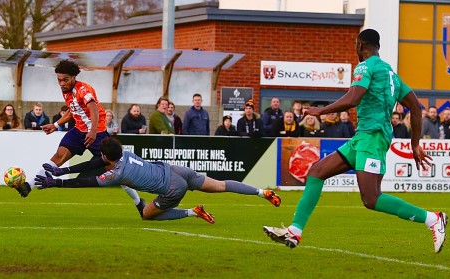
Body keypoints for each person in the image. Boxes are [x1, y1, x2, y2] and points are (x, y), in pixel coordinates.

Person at [263, 29, 447, 253]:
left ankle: (433, 219)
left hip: (373, 138)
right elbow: (416, 108)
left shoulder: (365, 67)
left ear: (360, 45)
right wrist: (414, 144)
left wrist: (320, 111)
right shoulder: (390, 74)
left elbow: (353, 98)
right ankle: (295, 230)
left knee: (371, 198)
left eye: (355, 45)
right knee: (316, 172)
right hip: (363, 138)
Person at [34, 137, 282, 223]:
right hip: (176, 170)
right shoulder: (126, 154)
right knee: (220, 185)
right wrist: (62, 171)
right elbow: (96, 163)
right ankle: (263, 193)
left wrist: (55, 182)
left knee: (146, 214)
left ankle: (193, 212)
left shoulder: (116, 174)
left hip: (172, 188)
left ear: (107, 156)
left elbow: (86, 181)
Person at [22, 60, 143, 217]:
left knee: (115, 170)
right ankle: (29, 186)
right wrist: (56, 124)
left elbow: (94, 109)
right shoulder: (66, 91)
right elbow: (73, 111)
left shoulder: (83, 89)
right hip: (79, 131)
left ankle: (138, 202)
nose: (61, 83)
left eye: (65, 79)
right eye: (59, 79)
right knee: (59, 156)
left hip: (97, 132)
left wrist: (92, 131)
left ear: (73, 77)